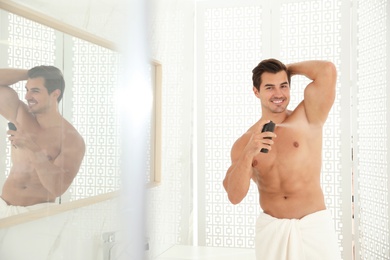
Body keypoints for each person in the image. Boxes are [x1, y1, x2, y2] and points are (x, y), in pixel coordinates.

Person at [223, 59, 341, 259]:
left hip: (313, 228)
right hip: (272, 233)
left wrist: (289, 70)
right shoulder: (245, 143)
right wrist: (249, 153)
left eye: (283, 86)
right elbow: (234, 196)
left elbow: (327, 70)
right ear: (256, 91)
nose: (278, 94)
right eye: (269, 87)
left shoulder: (308, 117)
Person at [0, 66, 85, 218]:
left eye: (35, 91)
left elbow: (57, 188)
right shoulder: (20, 113)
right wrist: (31, 74)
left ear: (55, 94)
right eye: (27, 89)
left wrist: (33, 149)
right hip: (3, 206)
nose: (27, 96)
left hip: (37, 214)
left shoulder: (71, 139)